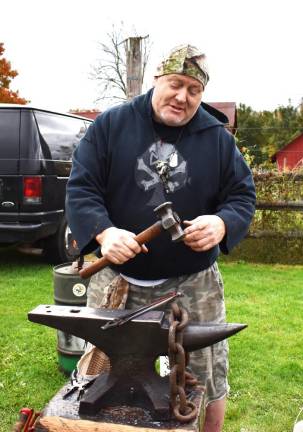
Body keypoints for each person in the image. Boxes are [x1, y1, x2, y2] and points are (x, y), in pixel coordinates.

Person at [66, 44, 256, 432]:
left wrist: (221, 224)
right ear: (157, 79)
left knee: (207, 377)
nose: (182, 97)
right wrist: (105, 232)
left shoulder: (217, 138)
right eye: (175, 84)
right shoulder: (112, 125)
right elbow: (82, 188)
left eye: (193, 90)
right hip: (118, 280)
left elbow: (241, 196)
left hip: (192, 283)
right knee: (99, 376)